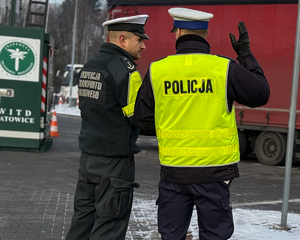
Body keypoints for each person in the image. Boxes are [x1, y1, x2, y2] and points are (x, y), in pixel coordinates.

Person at [133, 7, 269, 240]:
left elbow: (142, 120)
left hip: (174, 174)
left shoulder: (158, 70)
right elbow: (261, 94)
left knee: (172, 235)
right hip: (215, 175)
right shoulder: (223, 68)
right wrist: (245, 53)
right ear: (205, 35)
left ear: (177, 33)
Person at [65, 14, 149, 240]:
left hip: (89, 159)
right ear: (122, 39)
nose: (143, 45)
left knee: (82, 222)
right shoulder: (126, 71)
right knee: (109, 226)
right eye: (139, 39)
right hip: (114, 164)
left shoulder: (90, 65)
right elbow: (138, 117)